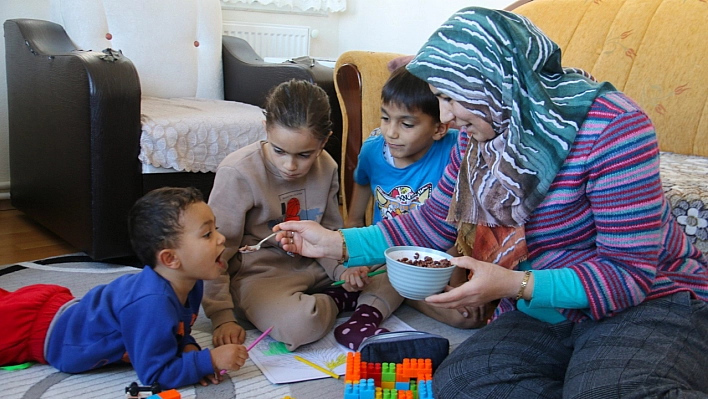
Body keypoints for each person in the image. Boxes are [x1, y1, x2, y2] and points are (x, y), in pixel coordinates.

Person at [275, 7, 708, 398]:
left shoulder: (614, 128)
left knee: (610, 389)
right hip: (550, 311)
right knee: (462, 384)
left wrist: (511, 284)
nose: (445, 118)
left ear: (499, 81)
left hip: (648, 300)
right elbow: (430, 224)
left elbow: (627, 275)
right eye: (439, 98)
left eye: (452, 98)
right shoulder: (482, 132)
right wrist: (334, 243)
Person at [202, 79, 403, 351]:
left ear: (324, 141)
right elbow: (216, 251)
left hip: (318, 268)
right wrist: (221, 315)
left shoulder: (328, 166)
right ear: (266, 130)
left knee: (397, 265)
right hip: (262, 276)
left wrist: (347, 268)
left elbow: (331, 236)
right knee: (300, 325)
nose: (290, 165)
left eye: (305, 154)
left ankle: (356, 308)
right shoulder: (238, 172)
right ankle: (338, 300)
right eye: (279, 150)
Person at [0, 187, 249, 389]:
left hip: (59, 309)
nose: (221, 237)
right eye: (207, 234)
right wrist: (210, 359)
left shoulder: (191, 283)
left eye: (215, 228)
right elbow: (155, 374)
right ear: (170, 259)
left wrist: (190, 352)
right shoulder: (152, 304)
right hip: (39, 332)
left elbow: (174, 333)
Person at [346, 65, 491, 329]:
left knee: (468, 316)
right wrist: (353, 264)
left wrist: (457, 289)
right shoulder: (371, 152)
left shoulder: (456, 149)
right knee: (356, 277)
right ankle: (398, 288)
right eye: (385, 118)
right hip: (388, 254)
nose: (391, 132)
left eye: (407, 124)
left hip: (440, 257)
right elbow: (355, 217)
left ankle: (401, 292)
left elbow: (456, 231)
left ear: (439, 129)